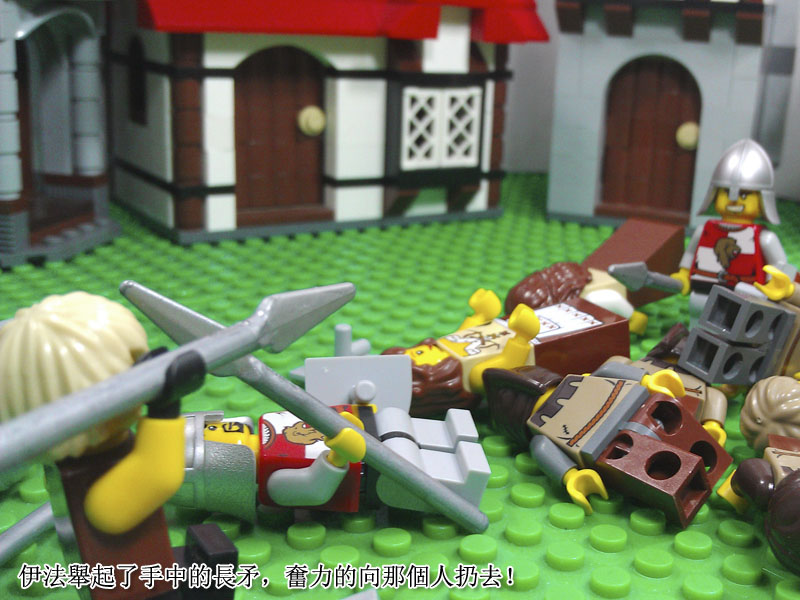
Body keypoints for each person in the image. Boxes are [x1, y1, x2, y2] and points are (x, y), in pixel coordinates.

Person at [671, 139, 795, 323]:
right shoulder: (704, 231)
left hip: (746, 295)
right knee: (698, 320)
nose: (734, 200)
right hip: (704, 289)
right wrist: (683, 274)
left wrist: (776, 284)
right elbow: (690, 254)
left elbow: (781, 266)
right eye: (726, 193)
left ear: (762, 200)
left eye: (745, 194)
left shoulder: (764, 238)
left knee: (738, 326)